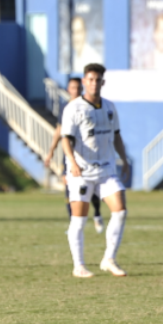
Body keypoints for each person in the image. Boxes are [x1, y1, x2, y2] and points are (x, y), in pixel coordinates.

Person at [61, 63, 130, 278]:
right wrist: (72, 162)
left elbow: (116, 135)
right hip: (81, 171)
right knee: (79, 220)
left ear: (103, 82)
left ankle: (109, 259)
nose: (94, 83)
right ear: (84, 82)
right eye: (90, 79)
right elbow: (66, 139)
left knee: (120, 210)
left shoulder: (109, 107)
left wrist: (124, 158)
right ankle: (78, 265)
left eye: (97, 79)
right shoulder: (74, 108)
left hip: (106, 169)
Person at [46, 77, 104, 233]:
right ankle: (74, 223)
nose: (76, 91)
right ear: (68, 90)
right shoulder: (66, 109)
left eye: (79, 88)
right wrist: (51, 150)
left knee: (91, 186)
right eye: (73, 88)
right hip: (71, 156)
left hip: (89, 156)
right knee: (70, 187)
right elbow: (60, 130)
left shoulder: (89, 108)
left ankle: (97, 214)